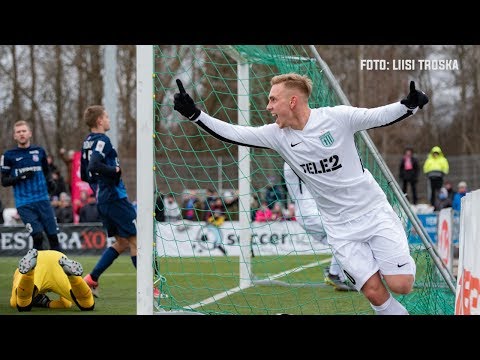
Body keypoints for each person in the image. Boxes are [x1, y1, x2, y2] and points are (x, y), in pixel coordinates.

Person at [173, 74, 429, 315]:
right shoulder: (277, 135)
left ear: (292, 101)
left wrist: (408, 105)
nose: (268, 107)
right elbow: (235, 134)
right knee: (374, 292)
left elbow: (377, 116)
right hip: (338, 227)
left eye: (273, 99)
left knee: (401, 284)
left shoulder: (336, 118)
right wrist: (196, 115)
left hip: (373, 212)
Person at [80, 105, 138, 298]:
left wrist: (99, 188)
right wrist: (114, 172)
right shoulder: (102, 140)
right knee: (138, 240)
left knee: (121, 243)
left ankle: (91, 278)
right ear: (99, 121)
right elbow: (94, 165)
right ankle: (152, 287)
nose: (108, 120)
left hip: (103, 199)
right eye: (106, 116)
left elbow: (84, 174)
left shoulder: (87, 142)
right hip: (115, 198)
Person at [283, 162, 355, 291]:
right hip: (309, 213)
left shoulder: (293, 159)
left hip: (307, 212)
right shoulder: (295, 158)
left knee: (341, 241)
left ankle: (339, 275)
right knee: (346, 234)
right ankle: (334, 273)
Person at [0, 120, 60, 250]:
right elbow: (4, 181)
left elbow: (46, 171)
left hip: (43, 200)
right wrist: (21, 177)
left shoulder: (39, 151)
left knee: (53, 237)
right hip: (24, 203)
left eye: (24, 131)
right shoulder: (8, 156)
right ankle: (37, 268)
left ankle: (61, 269)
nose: (21, 134)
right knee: (37, 236)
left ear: (30, 134)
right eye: (18, 132)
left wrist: (50, 182)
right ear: (14, 136)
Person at [10, 248, 94, 312]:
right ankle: (72, 276)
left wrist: (45, 303)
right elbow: (66, 303)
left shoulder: (19, 270)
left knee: (19, 302)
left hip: (38, 261)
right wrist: (47, 303)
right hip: (58, 259)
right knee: (85, 304)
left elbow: (14, 302)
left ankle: (30, 272)